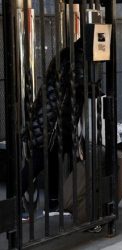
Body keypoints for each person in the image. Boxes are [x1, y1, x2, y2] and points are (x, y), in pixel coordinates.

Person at [21, 38, 85, 217]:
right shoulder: (76, 58)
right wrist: (94, 90)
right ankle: (13, 203)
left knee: (52, 160)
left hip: (52, 117)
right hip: (51, 120)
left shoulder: (67, 54)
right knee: (38, 162)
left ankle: (53, 203)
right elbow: (79, 84)